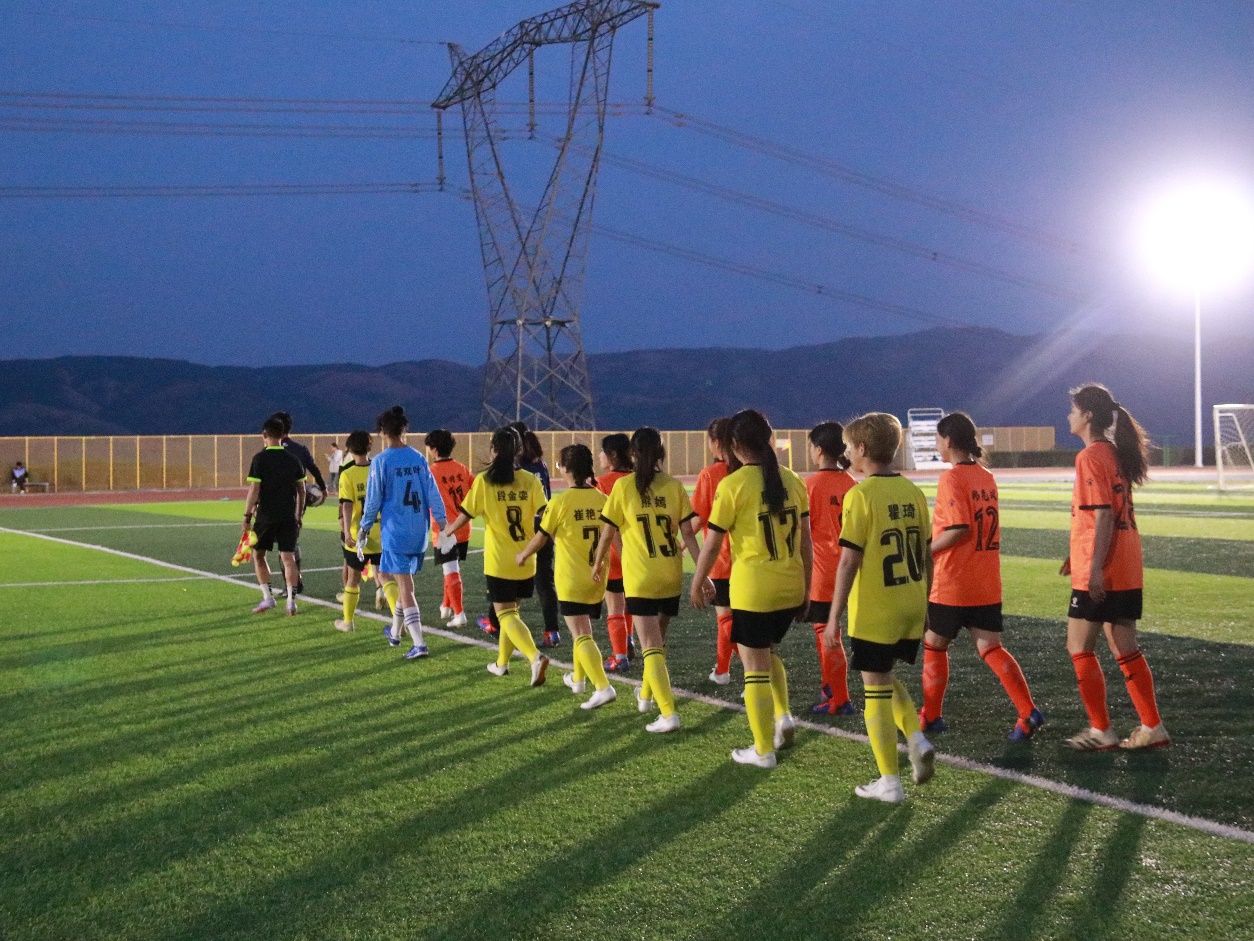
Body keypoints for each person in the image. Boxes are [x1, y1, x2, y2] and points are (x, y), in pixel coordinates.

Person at [823, 412, 936, 803]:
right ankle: (916, 738)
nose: (847, 453)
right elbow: (927, 555)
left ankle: (890, 781)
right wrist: (925, 603)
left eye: (850, 447)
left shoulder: (861, 495)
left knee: (874, 689)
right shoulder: (913, 492)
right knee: (883, 676)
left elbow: (848, 562)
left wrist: (833, 617)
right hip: (911, 600)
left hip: (877, 606)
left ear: (862, 449)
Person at [692, 409, 811, 768]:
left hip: (755, 589)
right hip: (790, 584)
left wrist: (697, 581)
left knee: (754, 667)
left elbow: (712, 543)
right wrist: (807, 589)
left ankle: (763, 750)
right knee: (766, 654)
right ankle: (784, 716)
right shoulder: (793, 480)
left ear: (734, 444)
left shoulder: (734, 484)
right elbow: (806, 544)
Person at [921, 412, 1044, 740]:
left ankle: (931, 716)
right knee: (990, 646)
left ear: (948, 441)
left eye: (938, 439)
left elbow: (958, 528)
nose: (937, 445)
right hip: (986, 579)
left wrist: (926, 550)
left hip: (954, 579)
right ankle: (1027, 710)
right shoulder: (986, 476)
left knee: (934, 644)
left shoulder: (952, 478)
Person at [1061, 385, 1169, 751]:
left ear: (1087, 415)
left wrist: (1092, 568)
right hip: (1126, 562)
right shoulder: (1115, 453)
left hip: (1103, 567)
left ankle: (1100, 730)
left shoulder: (1090, 456)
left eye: (1073, 409)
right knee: (1125, 646)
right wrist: (1076, 554)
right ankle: (1152, 726)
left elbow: (1104, 515)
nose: (1069, 416)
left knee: (1079, 646)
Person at [593, 427, 701, 734]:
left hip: (641, 575)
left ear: (633, 453)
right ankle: (645, 694)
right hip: (671, 573)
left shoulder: (623, 486)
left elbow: (607, 532)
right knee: (657, 643)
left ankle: (668, 714)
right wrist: (701, 573)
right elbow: (688, 533)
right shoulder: (674, 486)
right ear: (661, 453)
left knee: (650, 646)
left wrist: (598, 564)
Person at [441, 427, 551, 686]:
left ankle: (534, 657)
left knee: (506, 615)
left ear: (493, 450)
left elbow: (465, 514)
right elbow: (545, 515)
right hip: (526, 559)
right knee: (511, 614)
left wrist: (448, 531)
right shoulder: (530, 480)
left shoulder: (485, 481)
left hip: (500, 561)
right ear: (519, 450)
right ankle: (502, 663)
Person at [517, 444, 617, 710]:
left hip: (572, 578)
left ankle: (603, 687)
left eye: (560, 464)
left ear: (567, 469)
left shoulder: (560, 503)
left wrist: (523, 555)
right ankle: (578, 679)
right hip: (597, 576)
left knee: (581, 633)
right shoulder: (603, 499)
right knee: (583, 628)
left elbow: (541, 537)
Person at [356, 406, 446, 660]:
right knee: (402, 579)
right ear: (403, 429)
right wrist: (442, 522)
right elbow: (432, 492)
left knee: (404, 587)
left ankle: (419, 643)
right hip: (419, 531)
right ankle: (395, 632)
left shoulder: (381, 461)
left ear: (382, 432)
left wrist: (364, 528)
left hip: (396, 531)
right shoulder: (417, 457)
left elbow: (373, 500)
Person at [804, 422, 858, 716]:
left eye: (811, 446)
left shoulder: (810, 486)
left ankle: (840, 698)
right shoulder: (852, 485)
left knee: (827, 633)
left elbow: (801, 534)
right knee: (826, 633)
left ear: (819, 449)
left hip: (824, 571)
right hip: (853, 569)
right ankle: (829, 686)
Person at [243, 415, 306, 616]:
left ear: (264, 435)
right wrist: (298, 515)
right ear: (283, 435)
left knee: (259, 555)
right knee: (288, 557)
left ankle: (268, 597)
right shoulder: (293, 459)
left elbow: (254, 489)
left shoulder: (260, 459)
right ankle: (291, 602)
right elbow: (302, 491)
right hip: (288, 516)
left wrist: (247, 515)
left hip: (266, 516)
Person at [691, 417, 737, 686]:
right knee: (736, 618)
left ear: (717, 442)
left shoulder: (710, 474)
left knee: (726, 617)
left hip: (720, 557)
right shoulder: (748, 472)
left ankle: (756, 669)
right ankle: (722, 670)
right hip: (750, 559)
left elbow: (698, 518)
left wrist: (682, 540)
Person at [271, 411, 326, 594]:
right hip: (298, 502)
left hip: (277, 503)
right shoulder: (300, 449)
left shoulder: (270, 450)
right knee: (291, 542)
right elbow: (314, 470)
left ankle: (292, 585)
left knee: (283, 547)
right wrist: (323, 489)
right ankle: (296, 581)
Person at [425, 429, 472, 628]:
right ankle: (446, 606)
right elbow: (474, 493)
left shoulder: (430, 472)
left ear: (434, 449)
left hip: (444, 530)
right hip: (463, 526)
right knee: (451, 567)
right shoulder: (462, 469)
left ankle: (459, 614)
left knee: (450, 569)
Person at [596, 433, 635, 672]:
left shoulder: (603, 483)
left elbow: (604, 524)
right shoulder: (638, 479)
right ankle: (629, 641)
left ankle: (620, 656)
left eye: (602, 451)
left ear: (612, 455)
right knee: (630, 600)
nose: (599, 456)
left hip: (613, 552)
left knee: (614, 605)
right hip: (637, 551)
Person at [334, 431, 380, 633]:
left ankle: (348, 622)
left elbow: (346, 505)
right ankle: (400, 624)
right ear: (370, 447)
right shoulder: (379, 469)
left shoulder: (347, 473)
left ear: (350, 449)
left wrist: (346, 531)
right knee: (386, 577)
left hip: (358, 533)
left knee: (353, 579)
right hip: (381, 531)